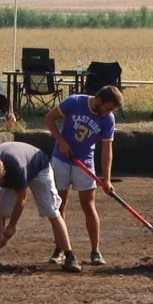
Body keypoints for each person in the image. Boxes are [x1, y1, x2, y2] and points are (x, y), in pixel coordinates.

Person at [45, 85, 123, 266]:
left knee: (88, 205)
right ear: (99, 100)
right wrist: (61, 141)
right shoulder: (74, 102)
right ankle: (60, 249)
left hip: (85, 163)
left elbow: (107, 149)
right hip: (61, 159)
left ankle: (96, 251)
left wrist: (107, 179)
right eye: (107, 108)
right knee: (59, 205)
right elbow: (50, 118)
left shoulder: (108, 119)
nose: (108, 113)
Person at [0, 141, 81, 272]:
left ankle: (70, 256)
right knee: (1, 212)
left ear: (4, 175)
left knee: (52, 210)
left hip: (39, 167)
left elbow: (21, 200)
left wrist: (12, 226)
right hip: (15, 167)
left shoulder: (17, 169)